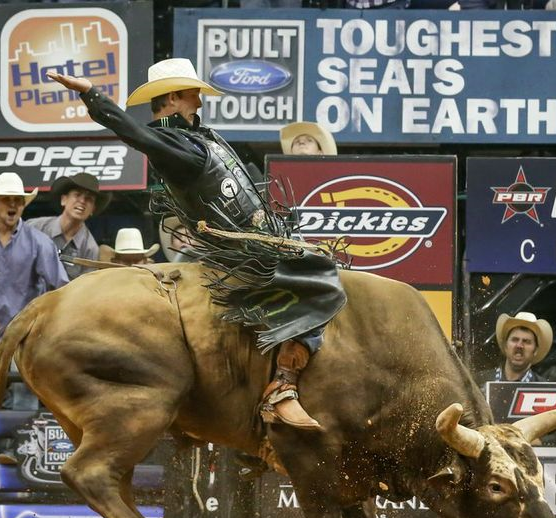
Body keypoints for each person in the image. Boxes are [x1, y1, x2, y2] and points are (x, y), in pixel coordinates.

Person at [48, 58, 347, 431]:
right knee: (319, 274)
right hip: (242, 251)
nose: (200, 100)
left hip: (255, 237)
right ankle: (283, 385)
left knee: (314, 256)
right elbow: (133, 132)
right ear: (173, 97)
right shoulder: (174, 144)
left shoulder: (200, 138)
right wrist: (93, 96)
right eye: (193, 93)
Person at [0, 171, 69, 411]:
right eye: (7, 199)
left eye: (18, 200)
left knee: (22, 405)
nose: (14, 205)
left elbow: (60, 290)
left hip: (22, 340)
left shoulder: (39, 243)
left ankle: (17, 448)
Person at [28, 172, 111, 280]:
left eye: (89, 199)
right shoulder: (34, 227)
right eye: (77, 195)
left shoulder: (90, 249)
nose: (82, 201)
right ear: (64, 200)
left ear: (93, 210)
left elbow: (83, 288)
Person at [478, 311, 553, 384]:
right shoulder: (479, 382)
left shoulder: (543, 389)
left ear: (536, 350)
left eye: (526, 341)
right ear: (505, 345)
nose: (519, 345)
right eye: (515, 340)